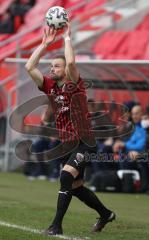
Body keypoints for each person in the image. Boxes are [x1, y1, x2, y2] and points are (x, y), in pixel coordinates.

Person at [25, 22, 115, 235]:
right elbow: (29, 67)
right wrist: (44, 44)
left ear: (65, 70)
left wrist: (66, 37)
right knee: (75, 187)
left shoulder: (76, 85)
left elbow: (72, 62)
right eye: (51, 66)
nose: (52, 69)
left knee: (65, 177)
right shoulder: (50, 86)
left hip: (85, 141)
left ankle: (56, 226)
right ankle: (106, 214)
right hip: (67, 144)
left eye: (56, 66)